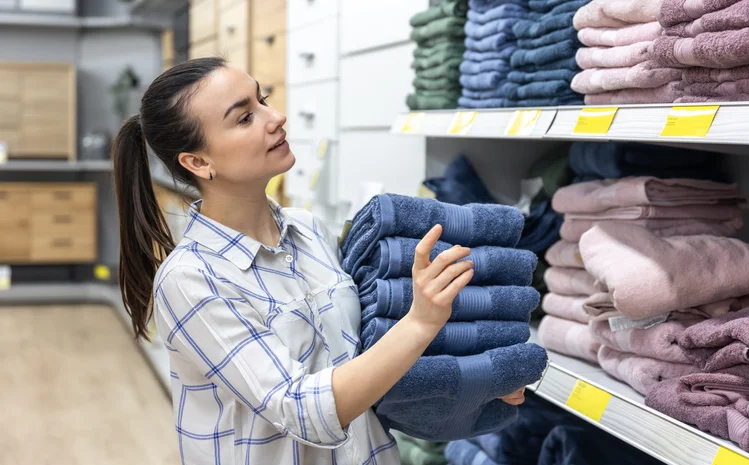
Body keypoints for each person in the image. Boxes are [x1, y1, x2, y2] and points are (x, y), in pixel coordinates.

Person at [111, 57, 525, 465]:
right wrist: (420, 322)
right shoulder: (191, 279)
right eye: (244, 118)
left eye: (263, 100)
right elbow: (298, 410)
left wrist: (479, 380)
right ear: (198, 162)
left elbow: (370, 356)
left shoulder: (310, 231)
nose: (276, 117)